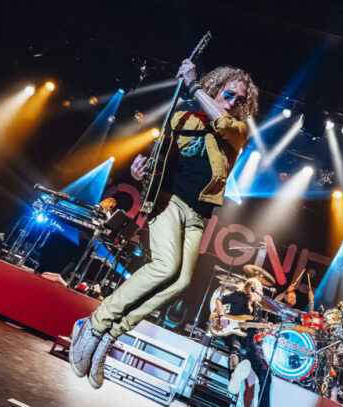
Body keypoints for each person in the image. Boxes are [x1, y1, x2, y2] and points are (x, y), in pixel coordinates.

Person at [69, 59, 259, 389]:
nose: (234, 102)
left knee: (180, 280)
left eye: (241, 100)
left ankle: (110, 334)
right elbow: (162, 160)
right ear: (218, 89)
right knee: (165, 266)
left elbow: (225, 122)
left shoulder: (237, 130)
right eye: (229, 94)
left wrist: (195, 86)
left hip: (199, 214)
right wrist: (145, 170)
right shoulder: (183, 116)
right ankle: (96, 324)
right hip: (169, 202)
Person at [215, 278, 271, 407]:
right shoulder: (238, 296)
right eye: (260, 289)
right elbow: (219, 300)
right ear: (252, 288)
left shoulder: (258, 308)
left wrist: (264, 330)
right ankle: (234, 377)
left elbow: (254, 329)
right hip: (232, 333)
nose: (262, 292)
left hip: (248, 342)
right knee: (236, 348)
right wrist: (222, 315)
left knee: (265, 374)